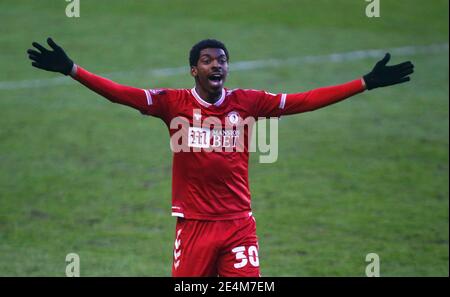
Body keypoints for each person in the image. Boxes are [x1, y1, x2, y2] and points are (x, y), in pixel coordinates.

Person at [27, 38, 414, 277]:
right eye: (209, 60)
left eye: (223, 60)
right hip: (194, 226)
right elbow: (119, 93)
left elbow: (304, 101)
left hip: (238, 225)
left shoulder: (248, 102)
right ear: (194, 69)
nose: (218, 65)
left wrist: (364, 83)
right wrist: (72, 70)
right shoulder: (171, 103)